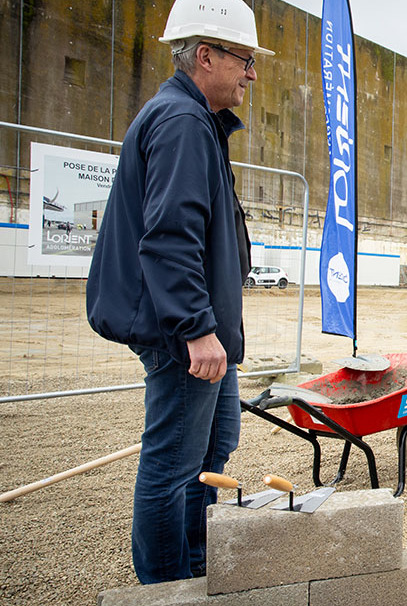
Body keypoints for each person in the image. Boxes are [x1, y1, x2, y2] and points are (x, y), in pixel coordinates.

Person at [85, 0, 272, 584]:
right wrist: (195, 327)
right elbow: (169, 238)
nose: (251, 72)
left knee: (214, 448)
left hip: (199, 325)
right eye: (244, 59)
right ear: (206, 55)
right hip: (182, 333)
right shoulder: (183, 123)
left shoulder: (194, 120)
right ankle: (167, 590)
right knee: (173, 465)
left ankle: (194, 570)